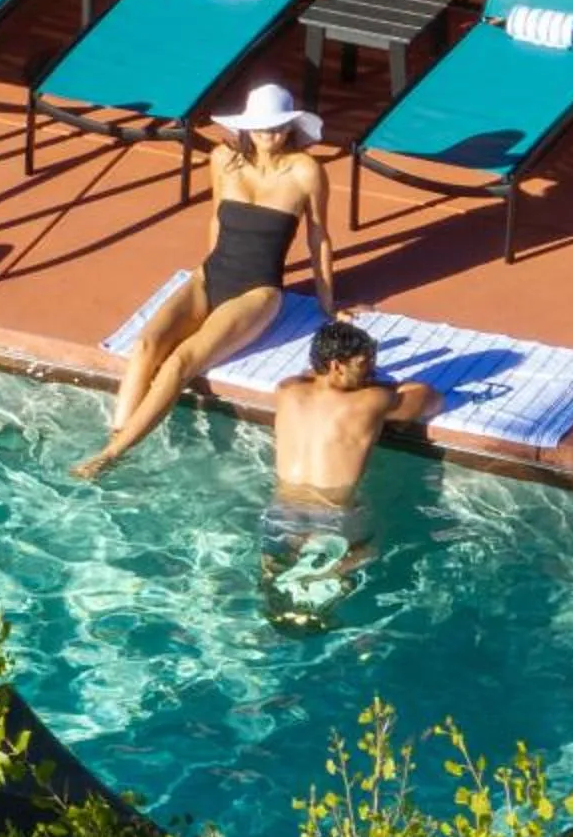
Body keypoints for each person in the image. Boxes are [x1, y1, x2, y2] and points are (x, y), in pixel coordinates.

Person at [73, 80, 332, 482]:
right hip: (211, 273)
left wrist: (329, 304)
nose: (271, 136)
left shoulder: (305, 170)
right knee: (146, 344)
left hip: (258, 290)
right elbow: (216, 216)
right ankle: (119, 435)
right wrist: (204, 272)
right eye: (263, 128)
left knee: (180, 362)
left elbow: (318, 236)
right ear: (246, 128)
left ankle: (110, 457)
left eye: (279, 128)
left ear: (292, 127)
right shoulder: (223, 159)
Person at [258, 317, 443, 631]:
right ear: (336, 366)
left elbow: (308, 378)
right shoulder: (371, 401)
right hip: (334, 514)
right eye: (364, 364)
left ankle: (279, 613)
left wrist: (356, 378)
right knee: (368, 551)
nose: (371, 370)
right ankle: (341, 614)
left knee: (275, 573)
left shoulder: (287, 390)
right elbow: (429, 399)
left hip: (280, 511)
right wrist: (382, 387)